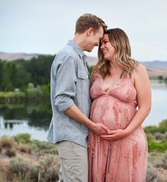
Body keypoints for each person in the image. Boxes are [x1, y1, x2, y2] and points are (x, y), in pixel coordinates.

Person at [47, 13, 109, 182]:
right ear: (89, 31)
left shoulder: (77, 58)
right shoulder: (69, 57)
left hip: (76, 136)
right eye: (98, 38)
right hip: (71, 135)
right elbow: (63, 101)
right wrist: (91, 125)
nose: (98, 44)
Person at [88, 28, 151, 182]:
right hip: (98, 140)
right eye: (101, 42)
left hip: (127, 139)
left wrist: (125, 131)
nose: (101, 46)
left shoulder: (137, 70)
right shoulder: (97, 71)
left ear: (119, 42)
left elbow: (145, 107)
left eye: (106, 42)